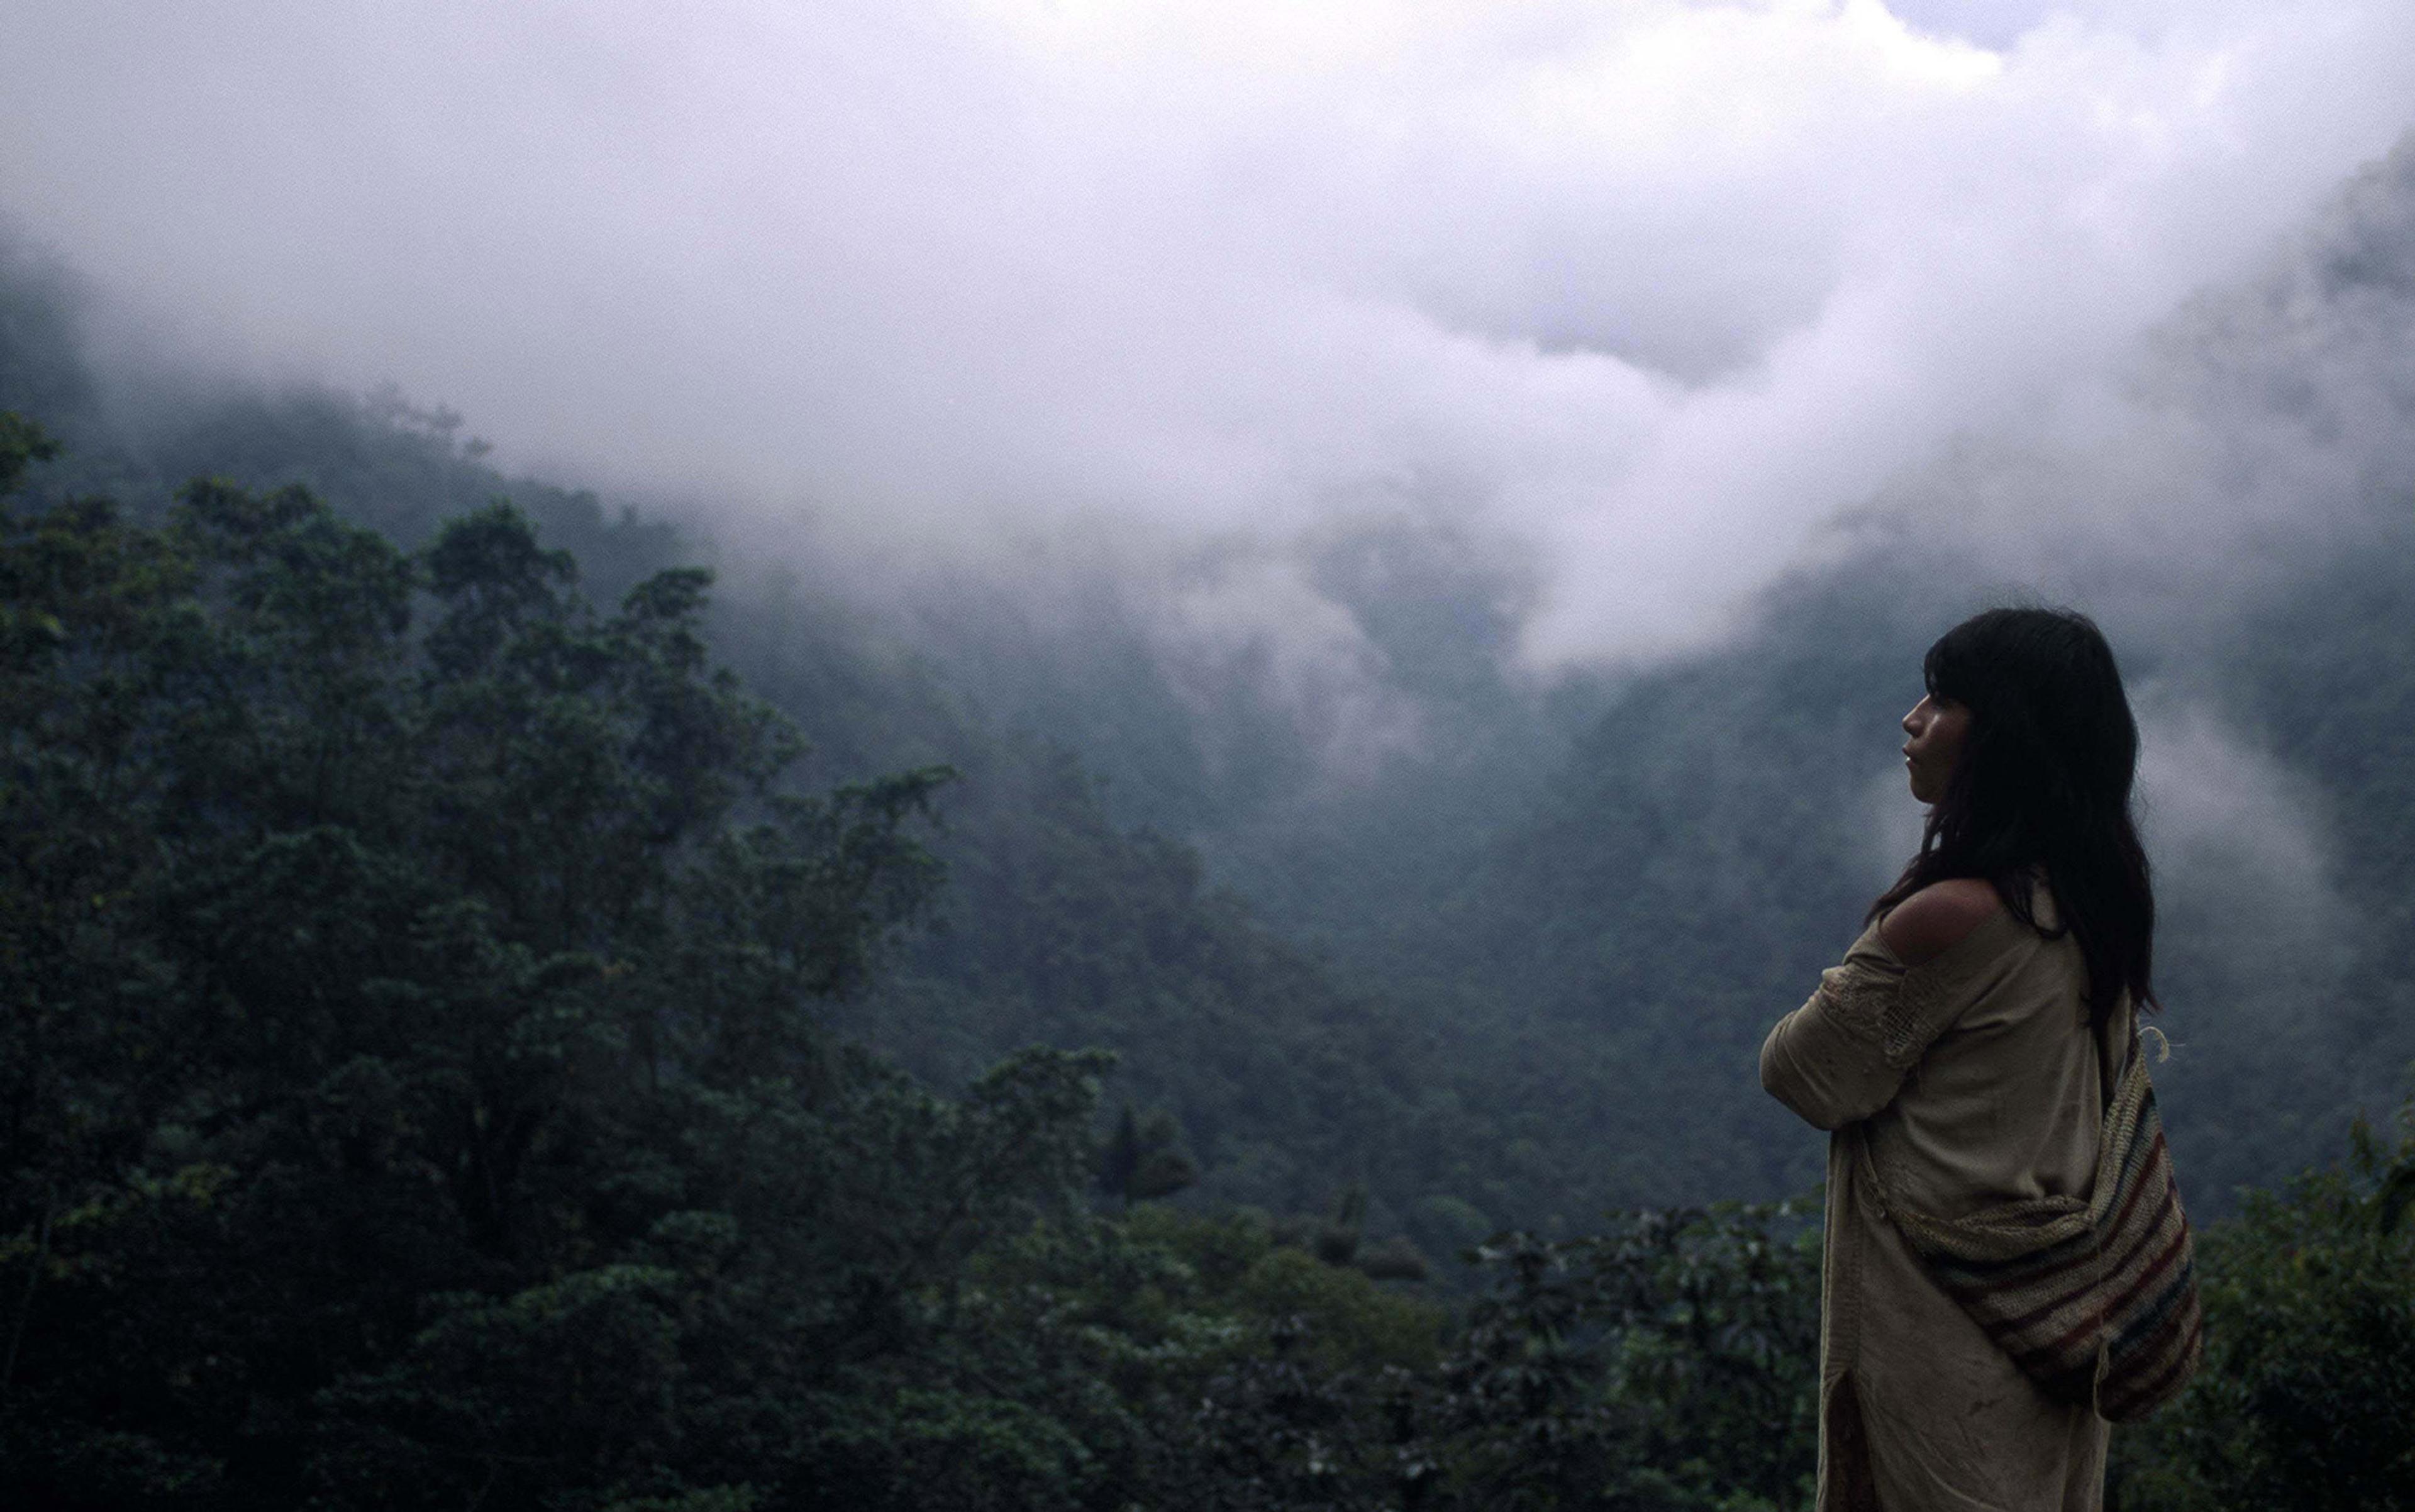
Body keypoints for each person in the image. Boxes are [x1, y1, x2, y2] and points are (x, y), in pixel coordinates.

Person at [1760, 607, 2160, 1512]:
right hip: (2052, 1324)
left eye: (1943, 699)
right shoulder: (2094, 905)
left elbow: (1801, 1073)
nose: (1912, 719)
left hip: (1940, 1340)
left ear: (2006, 735)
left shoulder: (1953, 917)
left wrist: (1874, 950)